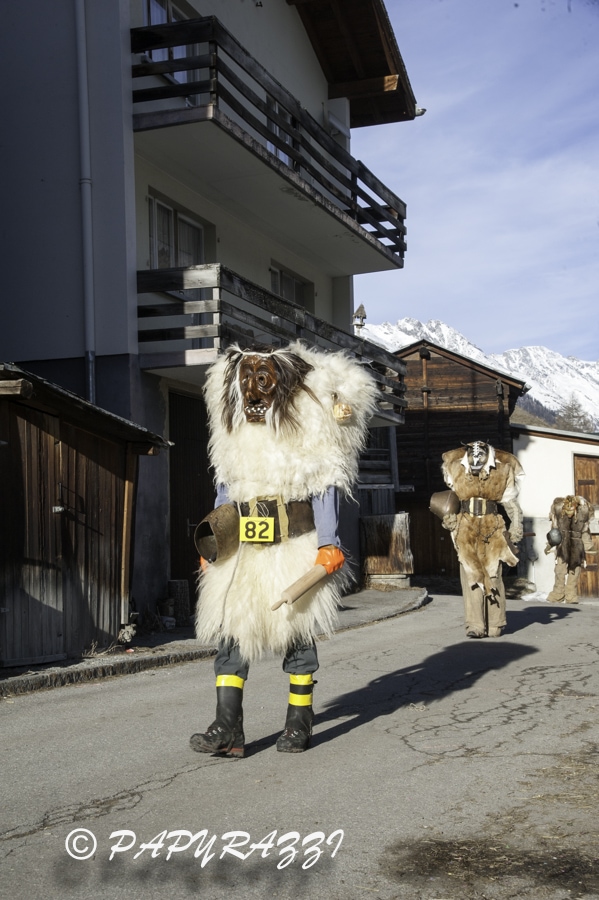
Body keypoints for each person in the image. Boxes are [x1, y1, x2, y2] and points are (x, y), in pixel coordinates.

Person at [190, 342, 377, 756]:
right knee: (233, 631)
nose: (254, 396)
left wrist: (328, 543)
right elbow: (226, 488)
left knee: (297, 631)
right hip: (243, 549)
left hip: (293, 544)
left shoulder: (306, 432)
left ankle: (298, 723)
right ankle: (227, 727)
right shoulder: (234, 437)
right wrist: (214, 542)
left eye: (263, 383)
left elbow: (324, 483)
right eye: (247, 383)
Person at [440, 441, 524, 638]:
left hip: (492, 527)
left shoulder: (502, 469)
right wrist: (448, 517)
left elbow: (511, 503)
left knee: (493, 574)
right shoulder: (455, 468)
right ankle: (475, 625)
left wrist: (516, 525)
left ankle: (495, 623)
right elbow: (451, 498)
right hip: (465, 527)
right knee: (470, 574)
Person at [545, 495, 596, 603]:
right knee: (560, 570)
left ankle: (571, 595)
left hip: (577, 546)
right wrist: (550, 544)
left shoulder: (582, 514)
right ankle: (558, 594)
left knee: (574, 571)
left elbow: (585, 532)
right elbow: (555, 533)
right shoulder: (559, 513)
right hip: (562, 546)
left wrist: (589, 547)